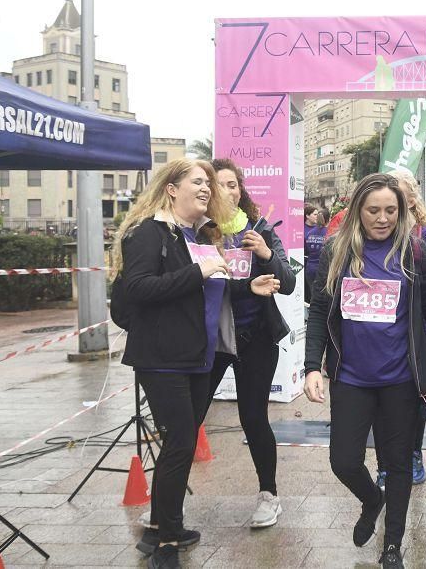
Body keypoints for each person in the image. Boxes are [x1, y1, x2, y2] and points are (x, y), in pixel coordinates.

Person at [114, 159, 280, 569]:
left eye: (209, 183)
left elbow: (204, 289)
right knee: (181, 443)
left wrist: (247, 286)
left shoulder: (197, 235)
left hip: (197, 356)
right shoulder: (148, 233)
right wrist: (199, 270)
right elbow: (137, 289)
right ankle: (166, 542)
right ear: (172, 189)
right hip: (162, 358)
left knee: (179, 443)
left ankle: (164, 525)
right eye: (197, 182)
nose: (206, 189)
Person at [304, 173, 426, 569]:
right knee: (344, 461)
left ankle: (392, 546)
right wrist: (311, 366)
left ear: (401, 211)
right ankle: (372, 500)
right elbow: (320, 311)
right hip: (351, 377)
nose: (382, 218)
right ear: (358, 211)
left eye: (390, 210)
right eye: (373, 210)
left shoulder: (415, 253)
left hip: (401, 380)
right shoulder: (337, 249)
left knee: (398, 463)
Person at [205, 158, 296, 528]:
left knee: (253, 417)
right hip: (213, 339)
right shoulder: (199, 233)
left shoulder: (259, 230)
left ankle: (268, 495)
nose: (229, 190)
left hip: (256, 338)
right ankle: (168, 501)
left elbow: (288, 282)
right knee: (191, 417)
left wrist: (266, 255)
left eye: (233, 184)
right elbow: (199, 288)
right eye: (219, 185)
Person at [374, 169, 426, 489]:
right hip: (383, 334)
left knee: (416, 400)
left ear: (409, 200)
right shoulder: (372, 234)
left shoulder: (424, 237)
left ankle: (413, 453)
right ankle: (384, 462)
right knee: (381, 403)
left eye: (395, 195)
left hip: (418, 334)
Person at [304, 205, 326, 303]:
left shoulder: (309, 233)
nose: (316, 216)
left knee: (313, 296)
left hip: (310, 267)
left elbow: (307, 248)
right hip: (322, 268)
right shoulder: (328, 233)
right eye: (314, 214)